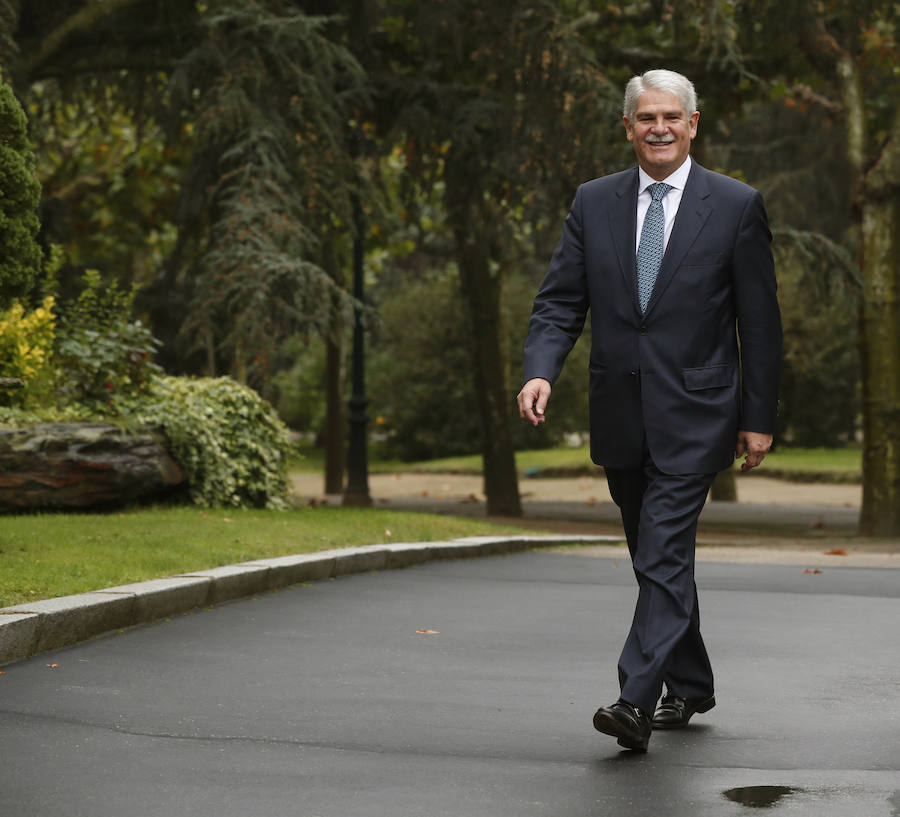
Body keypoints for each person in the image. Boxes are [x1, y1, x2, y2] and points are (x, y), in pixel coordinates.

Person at [516, 69, 782, 752]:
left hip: (698, 412)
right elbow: (558, 302)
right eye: (646, 117)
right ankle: (691, 680)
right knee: (653, 556)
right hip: (619, 411)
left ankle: (634, 699)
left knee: (662, 549)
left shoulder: (735, 206)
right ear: (627, 127)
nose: (659, 127)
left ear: (694, 124)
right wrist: (541, 371)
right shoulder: (593, 202)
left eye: (672, 116)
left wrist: (758, 417)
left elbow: (760, 323)